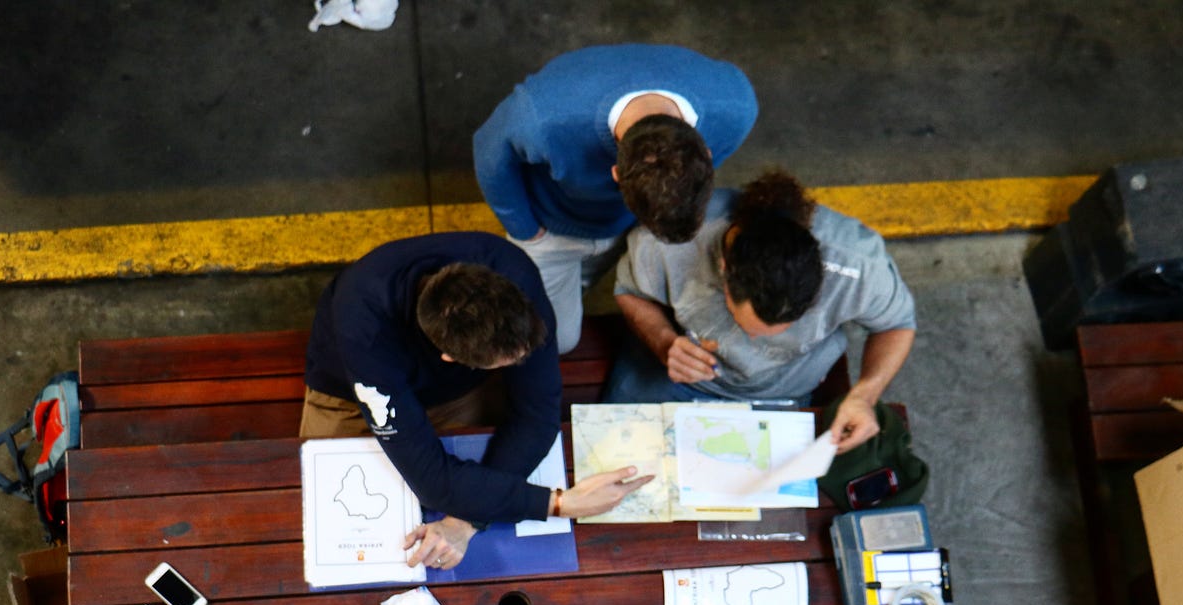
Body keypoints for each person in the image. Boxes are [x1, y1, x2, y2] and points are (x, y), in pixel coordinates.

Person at [301, 232, 652, 570]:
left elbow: (537, 416)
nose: (525, 362)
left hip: (457, 391)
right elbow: (434, 483)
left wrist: (466, 522)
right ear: (452, 358)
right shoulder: (364, 323)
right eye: (508, 363)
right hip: (351, 394)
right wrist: (560, 503)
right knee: (314, 497)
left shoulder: (512, 271)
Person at [606, 169, 918, 453]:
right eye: (746, 326)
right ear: (724, 269)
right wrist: (664, 342)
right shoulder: (670, 240)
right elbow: (630, 292)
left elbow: (897, 324)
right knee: (614, 460)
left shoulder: (857, 265)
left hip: (781, 394)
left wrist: (865, 395)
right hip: (673, 378)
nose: (753, 343)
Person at [474, 44, 758, 354]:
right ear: (616, 175)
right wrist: (525, 230)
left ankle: (578, 285)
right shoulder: (541, 119)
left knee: (574, 296)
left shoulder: (736, 107)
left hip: (625, 225)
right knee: (554, 340)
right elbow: (489, 153)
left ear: (706, 153)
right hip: (553, 227)